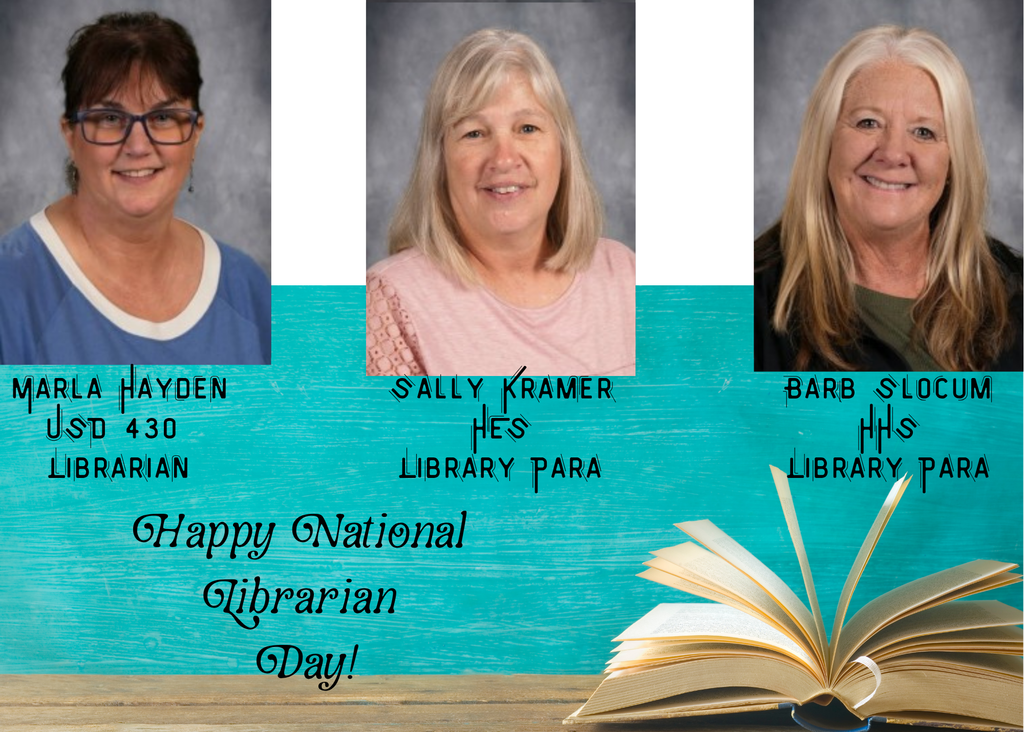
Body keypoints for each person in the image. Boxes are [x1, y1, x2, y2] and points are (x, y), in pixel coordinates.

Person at [0, 11, 270, 365]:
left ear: (196, 132)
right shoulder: (12, 289)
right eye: (111, 118)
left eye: (162, 118)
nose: (138, 145)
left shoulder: (246, 286)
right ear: (70, 135)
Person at [366, 29, 635, 376]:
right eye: (474, 133)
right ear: (440, 161)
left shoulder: (627, 276)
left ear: (563, 150)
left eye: (527, 128)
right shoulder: (389, 302)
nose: (504, 159)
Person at [755, 25, 1022, 371]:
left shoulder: (1015, 296)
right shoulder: (736, 306)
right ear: (825, 141)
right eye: (868, 123)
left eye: (924, 132)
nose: (894, 153)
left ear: (954, 161)